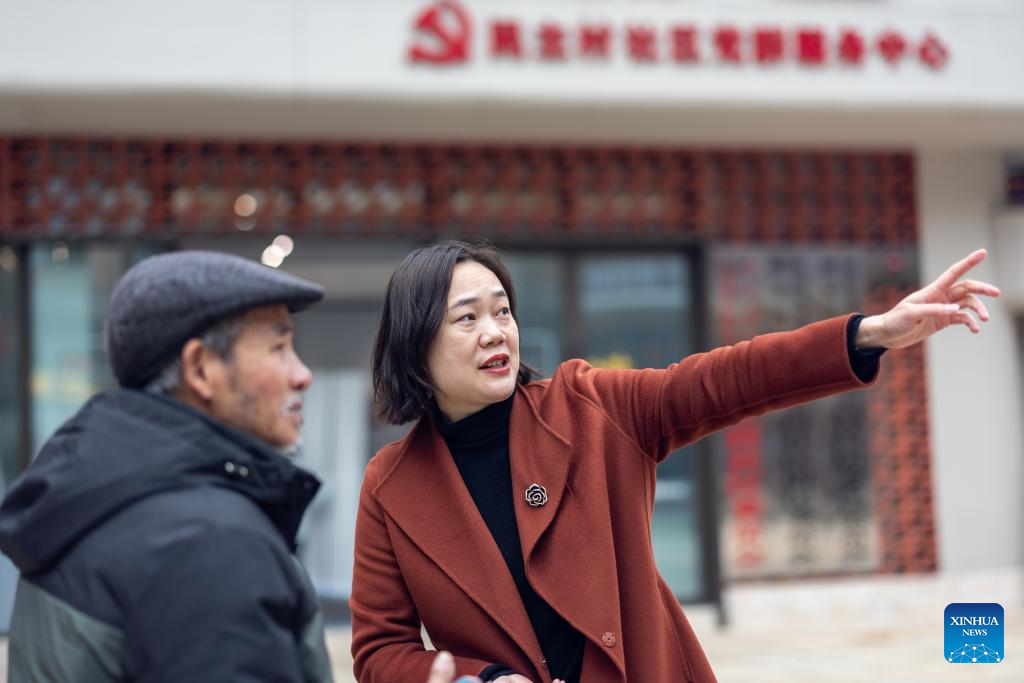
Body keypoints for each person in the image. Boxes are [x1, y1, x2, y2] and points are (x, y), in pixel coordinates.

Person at [351, 240, 999, 683]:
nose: (496, 331)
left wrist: (867, 334)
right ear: (416, 344)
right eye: (467, 319)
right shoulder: (390, 486)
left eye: (503, 310)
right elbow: (379, 650)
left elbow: (726, 379)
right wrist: (480, 679)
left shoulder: (588, 406)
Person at [0, 251, 334, 682]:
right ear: (200, 369)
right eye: (279, 348)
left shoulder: (88, 496)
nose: (302, 375)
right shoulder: (210, 540)